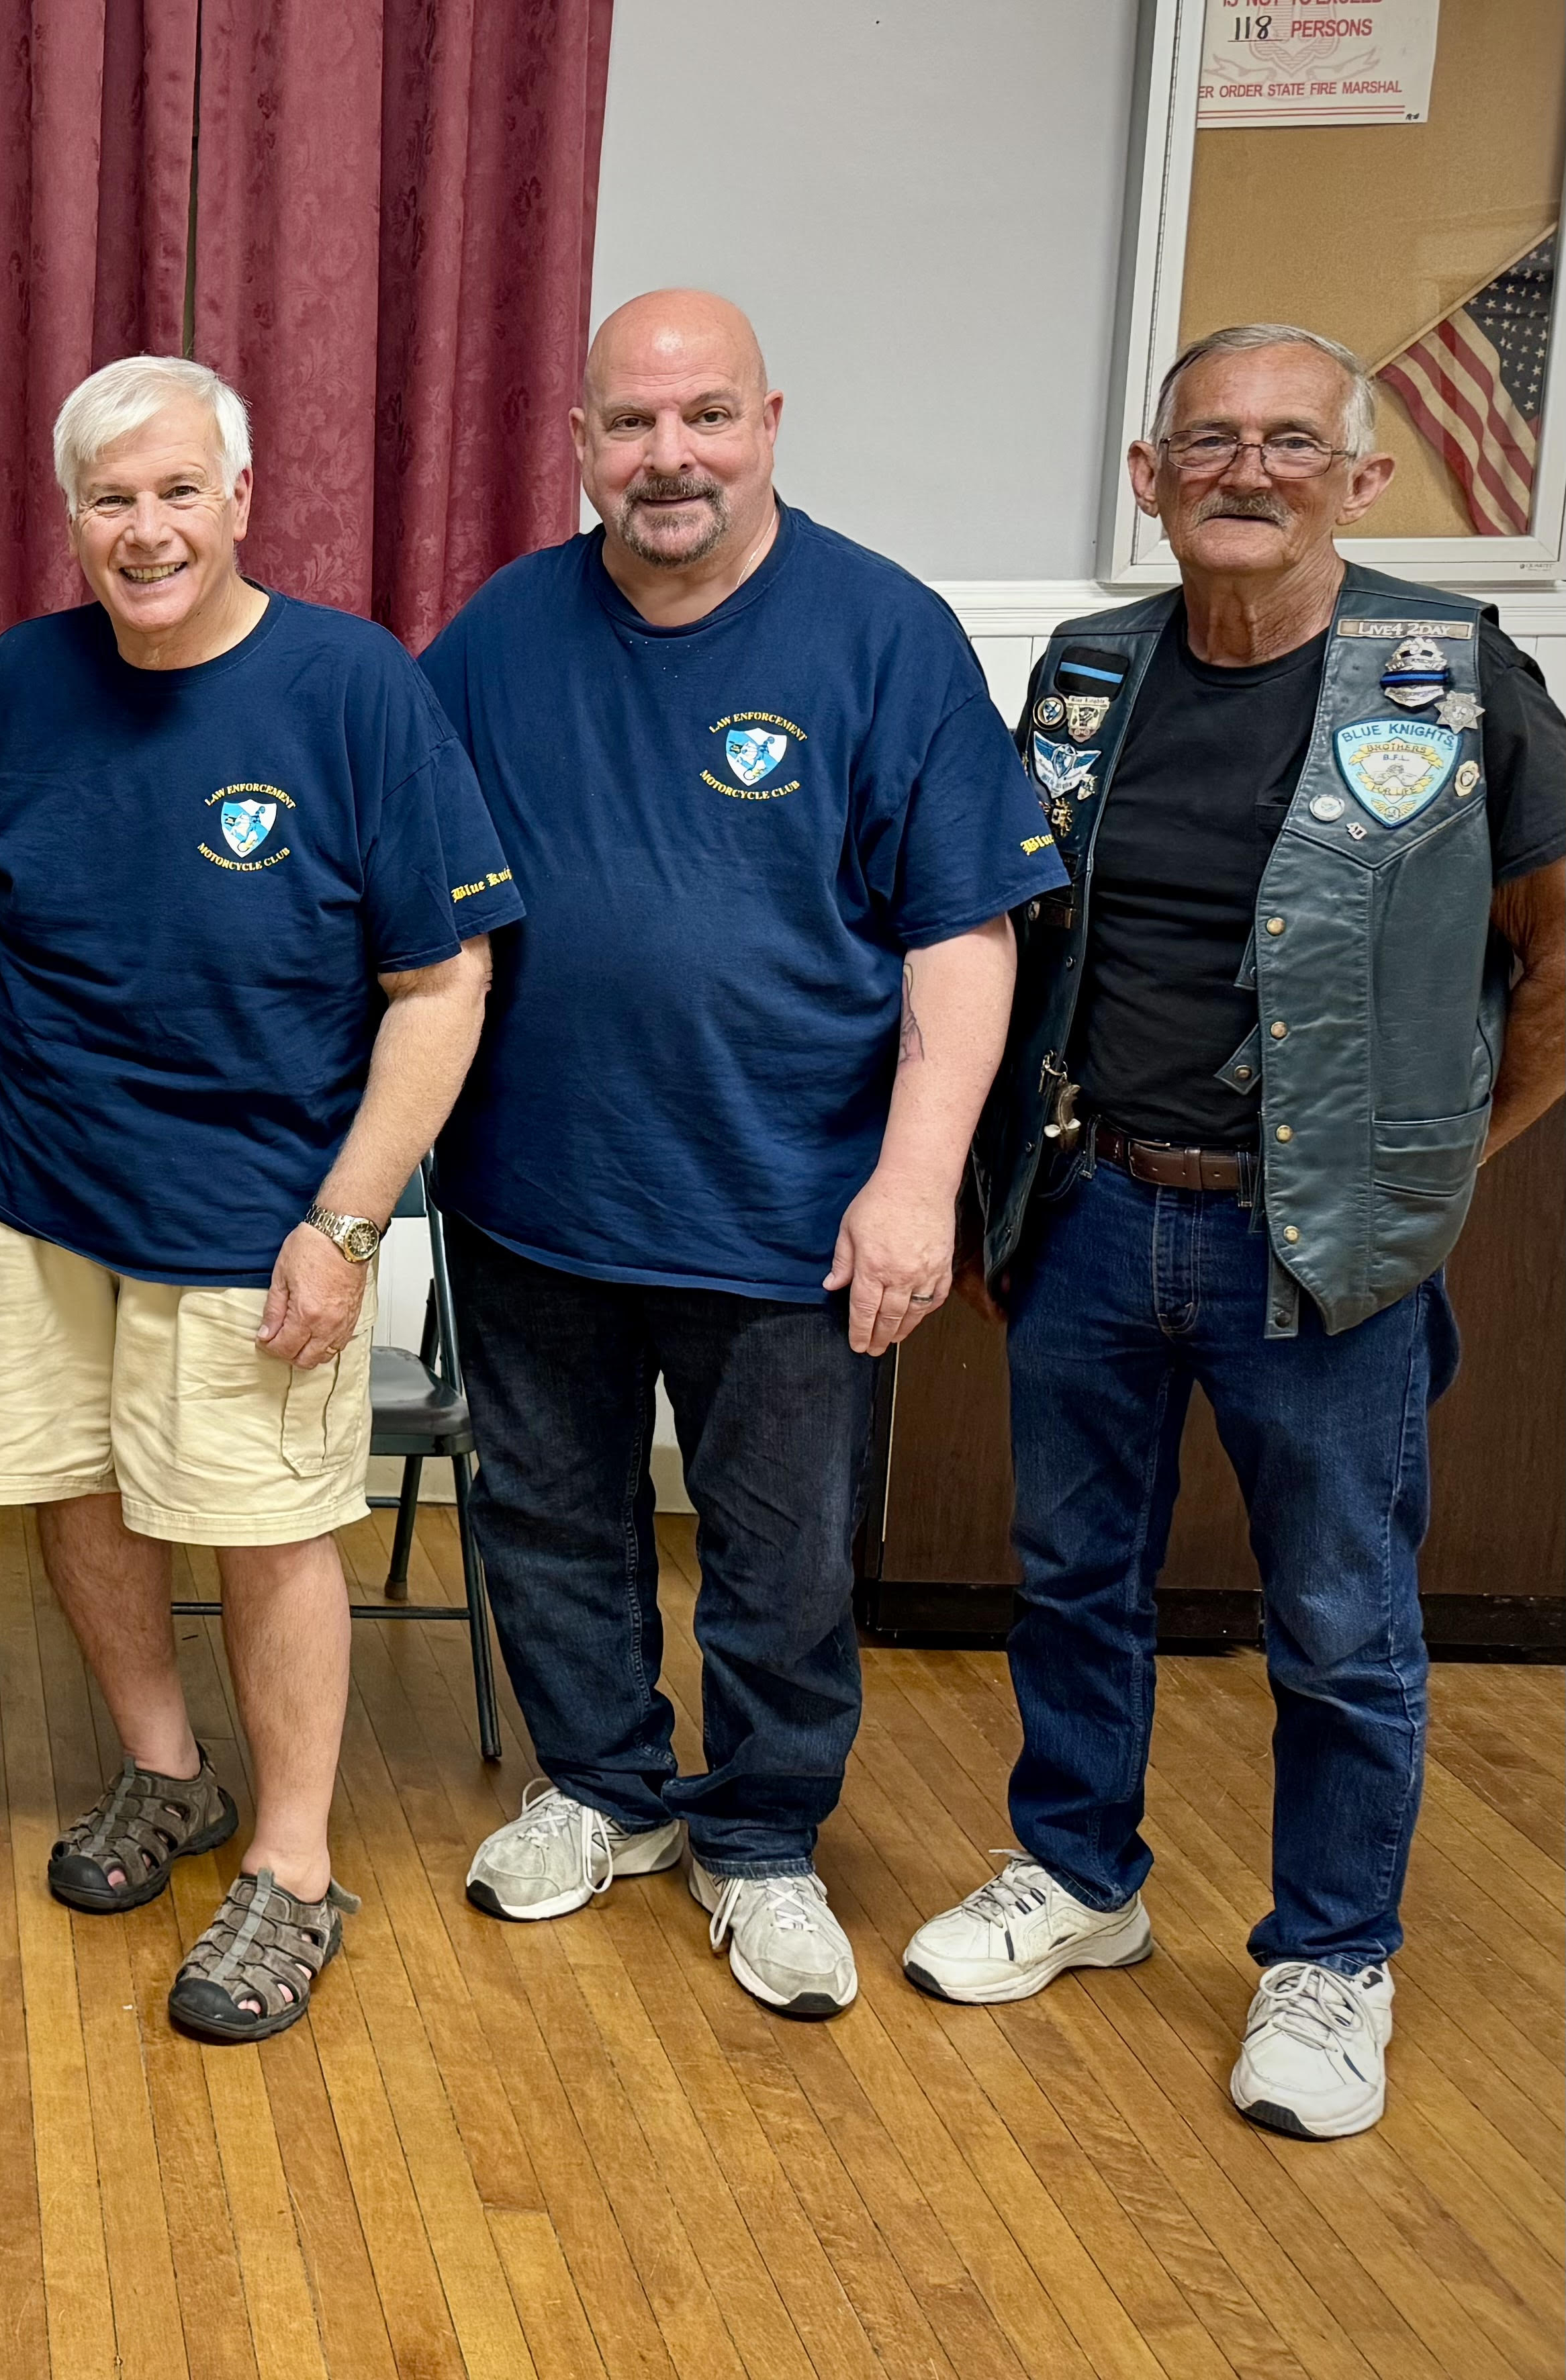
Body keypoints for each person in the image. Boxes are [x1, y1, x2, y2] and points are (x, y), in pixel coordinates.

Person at [919, 323, 1566, 2136]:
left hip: (1320, 1249)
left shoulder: (1450, 677)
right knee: (1071, 1581)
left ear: (1359, 479)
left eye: (1290, 443)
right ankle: (1077, 1875)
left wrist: (1441, 1164)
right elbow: (1015, 934)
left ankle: (1330, 1958)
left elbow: (1551, 950)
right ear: (1149, 477)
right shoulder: (1087, 670)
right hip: (1087, 1210)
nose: (1246, 472)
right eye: (1207, 441)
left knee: (1340, 1621)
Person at [417, 291, 1062, 2020]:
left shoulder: (881, 633)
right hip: (532, 1194)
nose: (668, 456)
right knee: (548, 1515)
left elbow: (964, 931)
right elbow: (400, 885)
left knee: (780, 1554)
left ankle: (763, 1836)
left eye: (704, 415)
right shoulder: (496, 636)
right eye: (629, 423)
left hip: (789, 1204)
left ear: (767, 425)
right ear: (578, 444)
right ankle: (602, 1785)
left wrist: (915, 1180)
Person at [0, 356, 516, 2045]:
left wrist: (345, 1223)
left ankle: (293, 1864)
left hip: (256, 1219)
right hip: (49, 1192)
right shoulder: (20, 678)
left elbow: (442, 983)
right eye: (109, 498)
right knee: (75, 1493)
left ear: (240, 499)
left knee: (266, 1531)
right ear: (70, 518)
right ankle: (166, 1769)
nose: (145, 529)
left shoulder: (350, 684)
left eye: (178, 491)